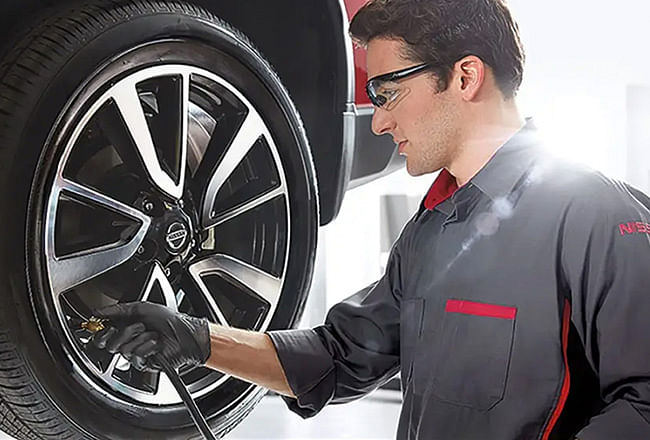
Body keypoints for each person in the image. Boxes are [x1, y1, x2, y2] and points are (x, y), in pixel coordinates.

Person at [92, 0, 650, 438]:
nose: (379, 123)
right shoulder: (430, 236)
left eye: (386, 92)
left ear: (465, 77)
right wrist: (199, 340)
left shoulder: (601, 219)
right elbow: (338, 359)